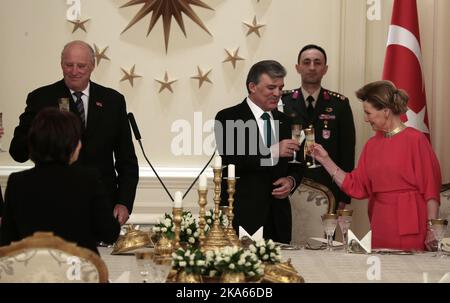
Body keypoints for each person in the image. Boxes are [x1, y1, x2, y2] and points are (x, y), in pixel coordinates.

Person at [9, 40, 138, 225]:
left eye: (81, 66)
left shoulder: (113, 101)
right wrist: (38, 132)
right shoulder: (41, 98)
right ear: (61, 65)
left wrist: (124, 202)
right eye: (69, 65)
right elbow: (18, 152)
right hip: (54, 207)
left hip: (102, 208)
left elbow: (127, 160)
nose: (74, 71)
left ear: (93, 66)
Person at [312, 80, 442, 251]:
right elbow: (356, 185)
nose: (366, 119)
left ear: (386, 111)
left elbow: (431, 189)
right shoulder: (372, 145)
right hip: (380, 222)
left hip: (410, 224)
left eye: (368, 113)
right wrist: (325, 160)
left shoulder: (416, 140)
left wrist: (432, 228)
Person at [1, 108, 120, 254]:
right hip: (81, 271)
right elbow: (109, 234)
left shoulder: (17, 182)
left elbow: (7, 240)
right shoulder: (88, 179)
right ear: (72, 144)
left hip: (31, 272)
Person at [215, 60, 304, 243]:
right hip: (242, 214)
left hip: (278, 217)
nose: (277, 94)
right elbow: (233, 159)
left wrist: (291, 180)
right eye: (271, 87)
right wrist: (272, 151)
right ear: (252, 86)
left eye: (280, 88)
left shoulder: (286, 121)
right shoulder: (228, 117)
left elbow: (298, 162)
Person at [282, 44, 355, 211]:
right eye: (306, 62)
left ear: (325, 69)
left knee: (325, 236)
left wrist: (345, 195)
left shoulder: (340, 104)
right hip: (289, 185)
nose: (312, 67)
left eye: (317, 63)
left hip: (328, 187)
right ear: (297, 67)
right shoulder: (282, 102)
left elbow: (347, 153)